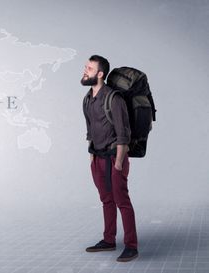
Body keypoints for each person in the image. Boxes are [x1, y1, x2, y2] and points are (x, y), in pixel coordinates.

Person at [81, 55, 138, 262]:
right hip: (97, 157)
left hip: (115, 157)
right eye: (85, 67)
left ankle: (131, 246)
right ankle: (109, 240)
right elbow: (90, 131)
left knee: (122, 201)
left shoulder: (114, 98)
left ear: (100, 74)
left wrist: (119, 162)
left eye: (89, 68)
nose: (85, 70)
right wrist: (91, 157)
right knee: (106, 200)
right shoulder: (87, 98)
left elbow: (124, 134)